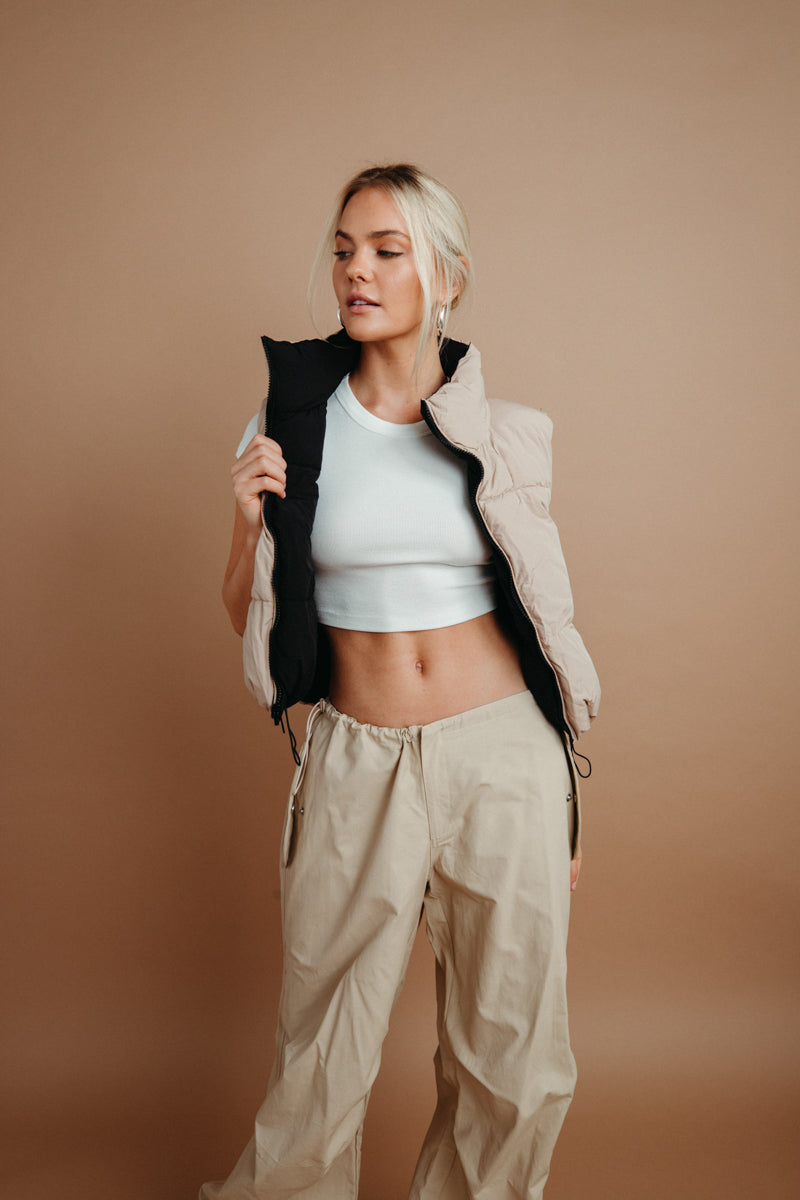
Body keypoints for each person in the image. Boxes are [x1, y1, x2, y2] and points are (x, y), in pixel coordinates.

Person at [200, 163, 600, 1200]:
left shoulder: (506, 432)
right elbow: (247, 613)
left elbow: (542, 621)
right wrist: (244, 525)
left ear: (447, 277)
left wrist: (561, 803)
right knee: (320, 1053)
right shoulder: (290, 425)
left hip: (503, 757)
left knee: (515, 1056)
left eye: (387, 250)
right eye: (344, 250)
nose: (357, 272)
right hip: (357, 759)